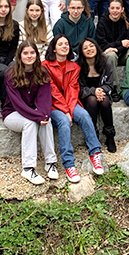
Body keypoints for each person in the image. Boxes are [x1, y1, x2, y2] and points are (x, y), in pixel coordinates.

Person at [43, 34, 105, 183]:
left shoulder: (74, 66)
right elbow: (52, 91)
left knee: (83, 115)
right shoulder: (45, 65)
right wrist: (65, 111)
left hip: (70, 102)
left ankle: (95, 153)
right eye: (60, 44)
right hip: (51, 105)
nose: (64, 46)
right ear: (54, 48)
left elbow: (72, 89)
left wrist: (70, 109)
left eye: (66, 44)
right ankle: (69, 164)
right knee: (64, 121)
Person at [2, 41, 59, 185]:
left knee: (47, 121)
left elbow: (44, 98)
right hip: (12, 113)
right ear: (19, 55)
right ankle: (28, 168)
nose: (29, 56)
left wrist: (44, 115)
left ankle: (50, 162)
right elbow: (18, 104)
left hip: (32, 110)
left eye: (32, 53)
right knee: (30, 123)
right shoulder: (10, 74)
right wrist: (37, 116)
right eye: (25, 53)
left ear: (37, 55)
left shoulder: (42, 72)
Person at [76, 38, 117, 152]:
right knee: (92, 100)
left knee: (104, 101)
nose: (89, 49)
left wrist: (100, 91)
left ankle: (110, 135)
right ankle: (92, 135)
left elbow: (109, 85)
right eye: (85, 48)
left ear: (96, 47)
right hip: (85, 97)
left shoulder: (106, 63)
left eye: (91, 46)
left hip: (103, 94)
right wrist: (93, 91)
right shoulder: (78, 66)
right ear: (81, 52)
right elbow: (78, 89)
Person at [95, 0, 129, 102]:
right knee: (111, 55)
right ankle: (113, 87)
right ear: (109, 9)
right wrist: (120, 44)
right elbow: (101, 44)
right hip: (107, 55)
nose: (115, 11)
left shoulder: (125, 22)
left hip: (121, 54)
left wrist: (117, 48)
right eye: (112, 8)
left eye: (118, 8)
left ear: (122, 9)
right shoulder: (102, 22)